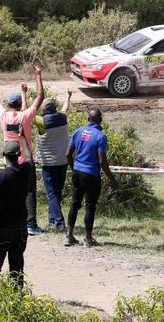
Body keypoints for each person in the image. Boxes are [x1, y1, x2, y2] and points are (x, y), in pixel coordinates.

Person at [0, 65, 45, 236]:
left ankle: (10, 221)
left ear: (9, 104)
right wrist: (38, 76)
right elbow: (40, 97)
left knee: (9, 192)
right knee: (29, 192)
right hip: (26, 161)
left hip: (9, 161)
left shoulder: (4, 116)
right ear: (21, 104)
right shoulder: (25, 117)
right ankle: (31, 224)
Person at [65, 109, 118, 247]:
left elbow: (68, 154)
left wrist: (74, 168)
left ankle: (69, 236)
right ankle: (88, 239)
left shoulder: (77, 132)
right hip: (91, 175)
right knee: (90, 206)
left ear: (88, 119)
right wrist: (112, 179)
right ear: (100, 120)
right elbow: (102, 161)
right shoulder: (101, 136)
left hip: (77, 172)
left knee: (75, 204)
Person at [0, 140, 32, 287]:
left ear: (3, 155)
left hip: (1, 228)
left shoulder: (0, 177)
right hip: (21, 228)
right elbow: (29, 158)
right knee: (17, 268)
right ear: (19, 154)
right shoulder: (25, 171)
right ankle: (17, 295)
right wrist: (23, 137)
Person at [33, 90, 72, 232]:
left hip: (49, 163)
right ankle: (52, 219)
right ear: (55, 108)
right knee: (57, 191)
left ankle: (60, 223)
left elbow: (28, 112)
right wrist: (68, 96)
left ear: (44, 109)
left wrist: (25, 95)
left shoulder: (41, 121)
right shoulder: (62, 117)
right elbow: (65, 107)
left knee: (52, 194)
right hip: (63, 161)